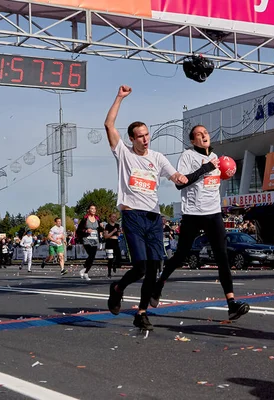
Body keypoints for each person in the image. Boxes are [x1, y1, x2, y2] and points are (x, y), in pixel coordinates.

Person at [105, 85, 188, 331]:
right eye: (140, 135)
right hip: (132, 215)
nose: (145, 138)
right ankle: (117, 288)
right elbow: (109, 125)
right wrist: (119, 97)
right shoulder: (124, 154)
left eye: (147, 134)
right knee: (140, 267)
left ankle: (141, 313)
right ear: (132, 138)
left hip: (154, 217)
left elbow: (174, 175)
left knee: (154, 267)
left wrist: (180, 178)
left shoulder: (158, 157)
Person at [150, 125, 250, 321]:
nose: (204, 135)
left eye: (206, 132)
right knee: (181, 255)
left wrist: (224, 171)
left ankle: (231, 304)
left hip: (213, 213)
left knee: (222, 257)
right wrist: (206, 168)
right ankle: (159, 284)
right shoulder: (188, 156)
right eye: (199, 134)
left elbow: (214, 182)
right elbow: (181, 183)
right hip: (193, 213)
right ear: (192, 141)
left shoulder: (217, 157)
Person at [75, 205, 103, 281]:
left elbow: (100, 229)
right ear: (88, 210)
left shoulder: (97, 218)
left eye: (94, 208)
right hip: (86, 239)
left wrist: (102, 227)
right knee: (91, 255)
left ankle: (85, 271)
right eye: (92, 208)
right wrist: (86, 231)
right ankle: (85, 272)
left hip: (95, 239)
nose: (93, 210)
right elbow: (78, 230)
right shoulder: (85, 218)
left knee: (92, 257)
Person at [104, 212, 122, 278]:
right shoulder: (107, 226)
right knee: (110, 258)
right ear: (110, 218)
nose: (114, 218)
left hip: (116, 241)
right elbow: (106, 236)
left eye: (115, 217)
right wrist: (113, 231)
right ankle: (109, 272)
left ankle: (115, 264)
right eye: (113, 217)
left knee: (118, 255)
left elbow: (119, 234)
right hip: (109, 242)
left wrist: (119, 231)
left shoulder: (117, 225)